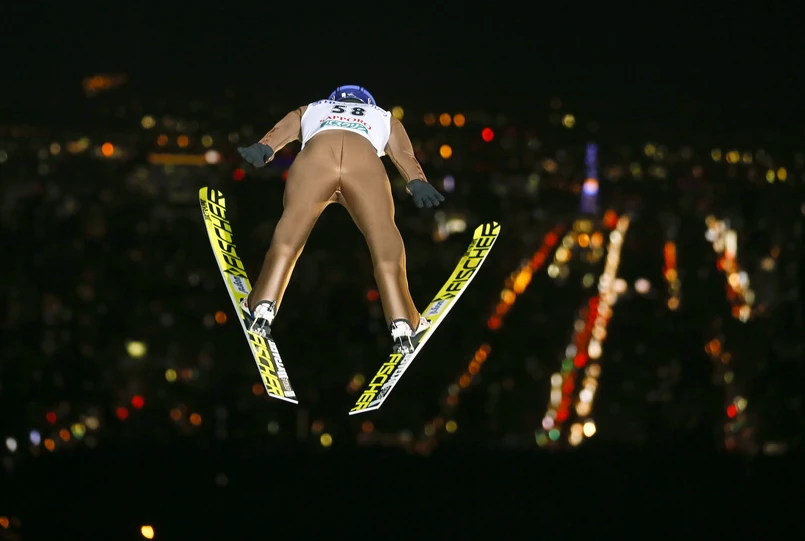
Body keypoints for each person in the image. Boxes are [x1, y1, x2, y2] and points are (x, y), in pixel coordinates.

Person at [236, 85, 445, 354]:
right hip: (364, 165)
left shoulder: (315, 107)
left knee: (292, 226)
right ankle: (404, 321)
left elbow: (286, 127)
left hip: (315, 161)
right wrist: (417, 181)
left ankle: (263, 304)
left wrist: (264, 147)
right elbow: (403, 153)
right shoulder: (384, 117)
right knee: (382, 233)